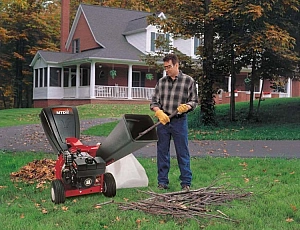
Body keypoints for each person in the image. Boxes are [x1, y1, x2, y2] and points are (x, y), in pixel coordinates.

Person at [150, 53, 198, 191]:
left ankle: (186, 183)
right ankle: (162, 182)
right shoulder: (161, 82)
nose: (167, 70)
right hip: (163, 122)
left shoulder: (188, 81)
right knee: (162, 152)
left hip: (179, 121)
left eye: (169, 67)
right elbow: (154, 102)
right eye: (165, 67)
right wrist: (158, 112)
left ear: (177, 65)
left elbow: (194, 101)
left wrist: (187, 107)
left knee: (182, 152)